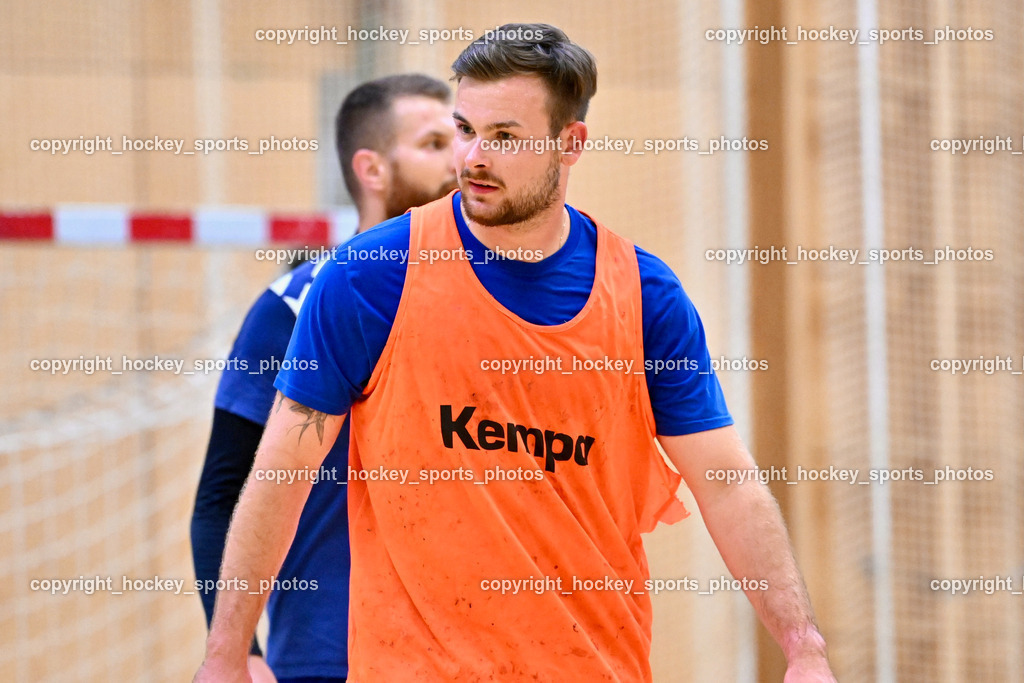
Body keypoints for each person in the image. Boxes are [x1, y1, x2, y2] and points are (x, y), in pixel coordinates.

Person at [195, 24, 836, 682]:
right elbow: (281, 468)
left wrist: (803, 645)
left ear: (571, 143)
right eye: (465, 129)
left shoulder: (646, 298)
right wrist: (227, 656)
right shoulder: (367, 279)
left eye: (504, 137)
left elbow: (726, 481)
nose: (472, 156)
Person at [189, 73, 457, 683]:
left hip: (471, 655)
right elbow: (218, 497)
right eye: (434, 144)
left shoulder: (488, 310)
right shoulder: (294, 305)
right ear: (372, 169)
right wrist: (239, 653)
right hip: (329, 655)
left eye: (461, 139)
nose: (460, 161)